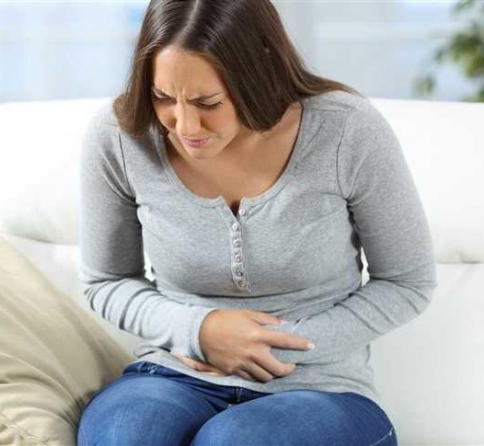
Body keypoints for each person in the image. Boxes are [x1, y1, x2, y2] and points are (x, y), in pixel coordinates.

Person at [76, 1, 437, 445]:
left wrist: (270, 344)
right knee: (128, 435)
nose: (185, 126)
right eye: (163, 97)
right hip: (172, 374)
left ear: (257, 69)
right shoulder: (120, 137)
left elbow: (407, 282)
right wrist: (199, 332)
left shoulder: (346, 130)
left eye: (208, 102)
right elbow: (107, 280)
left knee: (235, 439)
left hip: (320, 388)